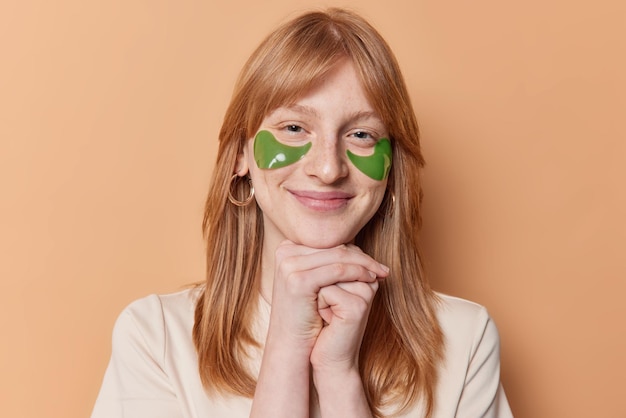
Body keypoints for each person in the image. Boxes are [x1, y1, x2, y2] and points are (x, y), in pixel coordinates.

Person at [91, 8, 513, 418]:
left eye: (361, 134)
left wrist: (338, 375)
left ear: (391, 169)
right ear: (240, 153)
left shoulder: (465, 340)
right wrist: (286, 347)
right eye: (294, 128)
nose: (328, 168)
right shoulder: (156, 337)